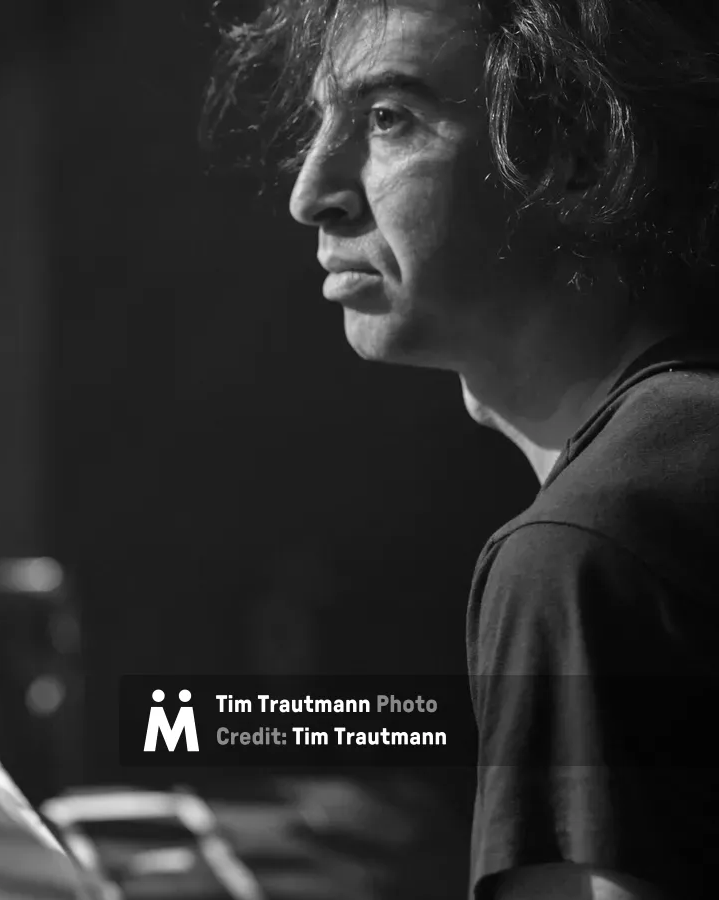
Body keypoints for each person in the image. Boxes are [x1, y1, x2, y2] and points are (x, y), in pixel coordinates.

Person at [204, 0, 719, 898]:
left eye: (387, 119)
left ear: (579, 150)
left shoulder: (582, 551)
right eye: (323, 122)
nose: (311, 191)